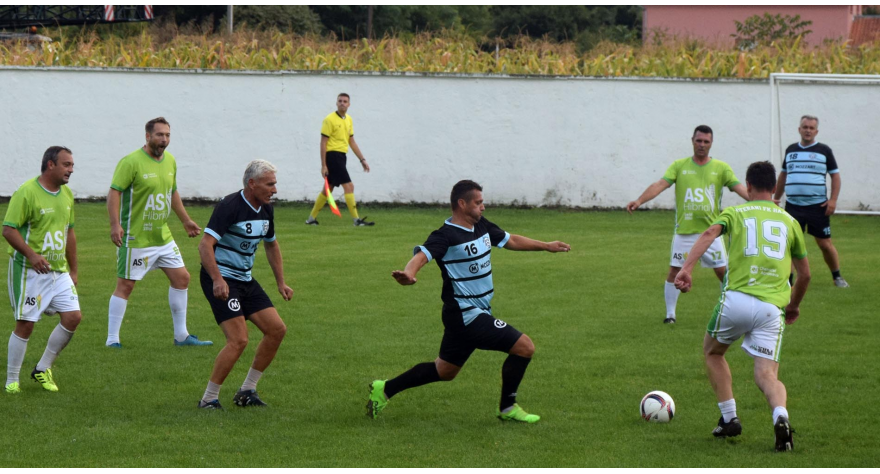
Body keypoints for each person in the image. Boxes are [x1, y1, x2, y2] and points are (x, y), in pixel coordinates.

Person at [366, 180, 571, 423]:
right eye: (478, 202)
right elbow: (422, 256)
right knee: (525, 347)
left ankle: (385, 388)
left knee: (445, 371)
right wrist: (409, 273)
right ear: (462, 204)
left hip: (468, 314)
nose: (483, 207)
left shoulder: (480, 226)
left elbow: (510, 240)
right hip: (466, 314)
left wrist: (546, 246)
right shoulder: (446, 235)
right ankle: (507, 408)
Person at [674, 161, 809, 452]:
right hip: (772, 309)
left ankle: (729, 418)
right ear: (775, 188)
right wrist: (794, 305)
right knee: (767, 375)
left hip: (735, 300)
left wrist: (687, 268)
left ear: (747, 186)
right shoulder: (790, 221)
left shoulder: (735, 211)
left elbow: (710, 233)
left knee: (713, 351)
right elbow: (806, 274)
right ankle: (780, 416)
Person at [105, 117, 211, 348]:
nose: (164, 139)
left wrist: (185, 220)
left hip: (162, 236)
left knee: (182, 278)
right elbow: (114, 193)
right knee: (125, 286)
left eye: (168, 135)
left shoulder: (170, 161)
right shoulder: (131, 162)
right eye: (160, 135)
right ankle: (112, 339)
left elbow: (172, 192)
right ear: (147, 136)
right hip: (136, 237)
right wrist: (115, 225)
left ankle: (181, 336)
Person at [627, 125, 749, 324]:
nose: (702, 145)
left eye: (706, 141)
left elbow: (740, 188)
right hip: (684, 233)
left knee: (723, 272)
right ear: (692, 140)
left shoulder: (721, 168)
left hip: (712, 232)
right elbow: (660, 184)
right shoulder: (679, 166)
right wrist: (640, 201)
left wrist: (761, 201)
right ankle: (670, 315)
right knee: (675, 271)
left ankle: (729, 311)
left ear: (711, 143)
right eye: (698, 141)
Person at [196, 160, 292, 409]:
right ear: (252, 183)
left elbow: (271, 244)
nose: (275, 189)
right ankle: (208, 399)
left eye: (275, 184)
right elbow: (205, 245)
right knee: (238, 340)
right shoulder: (230, 206)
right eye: (270, 184)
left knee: (276, 330)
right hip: (221, 278)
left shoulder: (266, 208)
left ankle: (247, 390)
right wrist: (217, 279)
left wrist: (281, 282)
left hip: (245, 279)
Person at [4, 146, 83, 394]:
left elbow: (69, 233)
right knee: (26, 324)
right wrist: (31, 254)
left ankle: (42, 368)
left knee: (73, 317)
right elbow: (8, 229)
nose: (71, 169)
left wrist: (74, 269)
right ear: (51, 164)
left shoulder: (67, 195)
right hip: (29, 271)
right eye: (66, 164)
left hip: (58, 271)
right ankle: (11, 380)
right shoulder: (27, 192)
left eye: (72, 165)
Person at [773, 115, 848, 288]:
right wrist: (776, 197)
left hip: (817, 207)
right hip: (793, 206)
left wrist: (833, 200)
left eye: (811, 128)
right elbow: (784, 175)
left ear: (816, 131)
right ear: (799, 129)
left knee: (824, 243)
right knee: (790, 244)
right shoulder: (791, 150)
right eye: (805, 127)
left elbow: (835, 175)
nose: (808, 130)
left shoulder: (824, 151)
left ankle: (837, 277)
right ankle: (788, 281)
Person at [305, 93, 375, 227]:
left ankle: (311, 219)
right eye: (340, 101)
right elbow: (323, 143)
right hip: (333, 156)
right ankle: (356, 220)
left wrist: (362, 159)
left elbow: (352, 141)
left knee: (328, 189)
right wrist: (323, 165)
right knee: (349, 186)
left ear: (349, 104)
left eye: (345, 101)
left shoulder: (348, 119)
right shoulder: (329, 120)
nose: (342, 103)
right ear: (336, 103)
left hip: (342, 157)